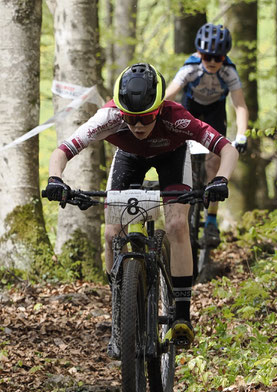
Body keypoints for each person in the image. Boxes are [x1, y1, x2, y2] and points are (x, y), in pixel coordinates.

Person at [44, 63, 239, 357]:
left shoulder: (177, 118)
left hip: (172, 156)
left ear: (159, 109)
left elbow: (228, 148)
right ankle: (119, 316)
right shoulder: (108, 117)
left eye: (145, 118)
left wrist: (221, 179)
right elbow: (62, 151)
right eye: (130, 118)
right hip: (129, 158)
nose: (137, 125)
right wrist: (56, 179)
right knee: (111, 234)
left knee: (176, 224)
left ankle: (182, 316)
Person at [165, 23, 250, 248]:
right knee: (180, 153)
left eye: (218, 58)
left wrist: (241, 135)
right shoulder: (191, 68)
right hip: (190, 107)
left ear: (225, 58)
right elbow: (169, 95)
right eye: (207, 57)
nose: (212, 62)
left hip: (214, 112)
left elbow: (240, 105)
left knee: (215, 163)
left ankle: (211, 221)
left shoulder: (229, 71)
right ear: (199, 54)